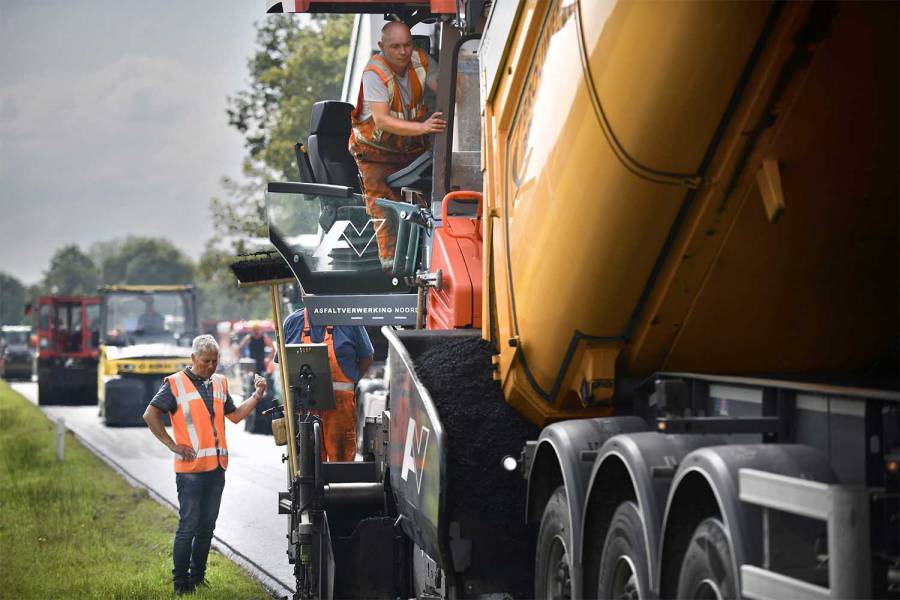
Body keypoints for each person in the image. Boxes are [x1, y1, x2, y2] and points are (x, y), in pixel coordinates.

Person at [142, 334, 266, 595]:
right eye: (206, 361)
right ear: (193, 358)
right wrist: (172, 445)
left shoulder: (219, 383)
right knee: (188, 527)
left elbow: (235, 416)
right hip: (190, 472)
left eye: (215, 361)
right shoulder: (175, 384)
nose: (211, 365)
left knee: (207, 526)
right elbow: (150, 414)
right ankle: (180, 583)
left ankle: (198, 578)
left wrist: (257, 395)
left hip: (216, 468)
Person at [349, 20, 444, 271]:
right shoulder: (374, 74)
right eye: (396, 46)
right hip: (375, 156)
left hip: (410, 151)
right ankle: (394, 273)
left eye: (408, 45)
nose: (403, 52)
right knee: (385, 211)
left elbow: (445, 87)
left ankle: (431, 261)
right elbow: (383, 120)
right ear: (382, 46)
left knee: (433, 197)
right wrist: (424, 128)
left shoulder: (420, 61)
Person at [283, 306, 374, 462]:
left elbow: (367, 357)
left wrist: (351, 379)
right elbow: (284, 364)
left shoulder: (350, 322)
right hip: (305, 409)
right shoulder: (292, 322)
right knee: (307, 465)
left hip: (341, 408)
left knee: (342, 466)